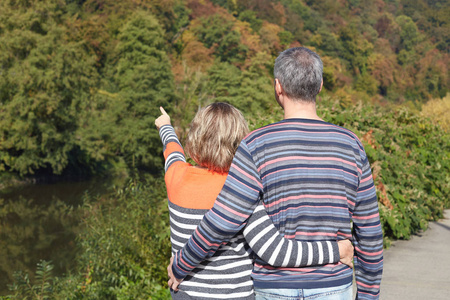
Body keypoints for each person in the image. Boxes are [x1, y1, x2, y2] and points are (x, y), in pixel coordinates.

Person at [167, 47, 383, 300]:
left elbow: (223, 220)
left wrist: (180, 265)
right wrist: (368, 295)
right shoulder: (351, 145)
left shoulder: (256, 144)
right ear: (320, 85)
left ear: (278, 87)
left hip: (274, 288)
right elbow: (369, 230)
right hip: (333, 285)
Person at [155, 102, 354, 299]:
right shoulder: (239, 189)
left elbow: (172, 151)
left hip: (185, 293)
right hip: (234, 295)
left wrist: (165, 126)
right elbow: (276, 251)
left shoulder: (175, 175)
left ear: (195, 137)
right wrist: (337, 249)